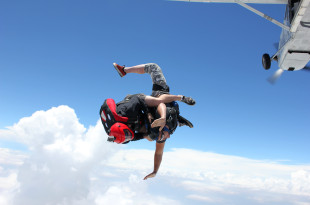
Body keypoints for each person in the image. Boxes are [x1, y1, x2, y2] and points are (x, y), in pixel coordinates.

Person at [102, 62, 195, 180]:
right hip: (154, 117)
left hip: (150, 101)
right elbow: (159, 153)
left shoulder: (134, 114)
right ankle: (178, 120)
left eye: (162, 136)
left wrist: (181, 98)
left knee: (154, 68)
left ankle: (124, 70)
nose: (167, 138)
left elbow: (160, 101)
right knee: (155, 133)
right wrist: (155, 171)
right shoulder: (155, 134)